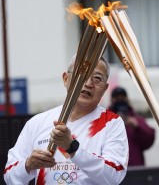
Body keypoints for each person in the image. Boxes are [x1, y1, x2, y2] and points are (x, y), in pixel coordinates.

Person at [4, 55, 129, 185]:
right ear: (65, 79)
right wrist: (28, 165)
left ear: (105, 88)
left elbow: (114, 176)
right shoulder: (37, 123)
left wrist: (72, 147)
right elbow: (9, 176)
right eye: (81, 74)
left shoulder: (112, 123)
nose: (88, 84)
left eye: (97, 78)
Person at [109, 87, 155, 167]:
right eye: (116, 98)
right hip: (112, 169)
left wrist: (137, 127)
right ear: (112, 100)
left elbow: (149, 140)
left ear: (127, 98)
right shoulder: (105, 119)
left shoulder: (136, 119)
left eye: (122, 97)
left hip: (135, 168)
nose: (120, 100)